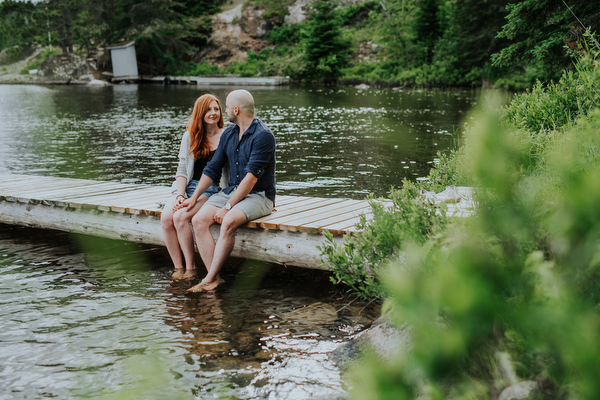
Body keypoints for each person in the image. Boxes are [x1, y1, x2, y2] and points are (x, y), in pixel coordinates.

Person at [182, 89, 276, 293]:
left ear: (236, 109)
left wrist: (227, 206)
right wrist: (194, 198)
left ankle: (208, 279)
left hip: (259, 195)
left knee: (229, 220)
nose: (224, 110)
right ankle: (214, 277)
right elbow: (212, 169)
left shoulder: (263, 136)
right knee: (198, 220)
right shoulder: (230, 134)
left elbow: (251, 180)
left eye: (225, 106)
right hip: (232, 190)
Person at [161, 94, 224, 280]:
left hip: (210, 190)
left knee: (180, 217)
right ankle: (178, 268)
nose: (213, 113)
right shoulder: (190, 136)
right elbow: (181, 169)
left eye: (216, 109)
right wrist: (180, 194)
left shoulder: (226, 136)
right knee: (166, 218)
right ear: (200, 112)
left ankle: (191, 268)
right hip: (186, 187)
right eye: (208, 109)